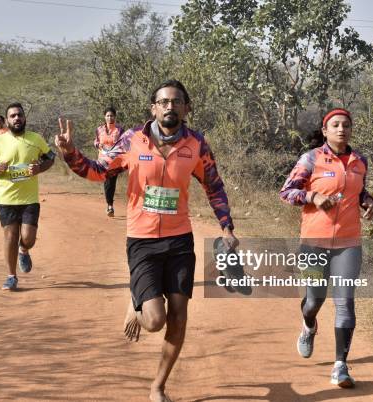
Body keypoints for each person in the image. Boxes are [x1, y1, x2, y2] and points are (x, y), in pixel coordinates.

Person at [55, 79, 237, 402]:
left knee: (179, 315)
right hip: (142, 241)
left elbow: (214, 185)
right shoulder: (131, 140)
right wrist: (71, 154)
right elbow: (99, 171)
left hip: (180, 239)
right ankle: (138, 299)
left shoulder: (196, 144)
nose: (170, 107)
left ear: (186, 108)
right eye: (164, 102)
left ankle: (158, 386)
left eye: (177, 102)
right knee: (155, 320)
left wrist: (226, 226)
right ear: (153, 108)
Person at [279, 108, 373, 388]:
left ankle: (340, 366)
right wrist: (312, 195)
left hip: (349, 244)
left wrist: (369, 201)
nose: (341, 129)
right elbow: (287, 192)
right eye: (335, 125)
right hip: (314, 243)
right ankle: (309, 325)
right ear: (325, 131)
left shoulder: (360, 161)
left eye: (346, 125)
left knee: (345, 302)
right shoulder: (310, 159)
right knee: (314, 301)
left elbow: (358, 192)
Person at [0, 103, 56, 291]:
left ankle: (24, 250)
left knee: (28, 238)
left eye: (19, 115)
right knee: (11, 236)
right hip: (6, 198)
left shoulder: (35, 139)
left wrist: (40, 168)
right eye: (12, 116)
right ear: (7, 120)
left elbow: (51, 157)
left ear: (24, 118)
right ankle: (11, 276)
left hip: (29, 199)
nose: (16, 118)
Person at [94, 107, 124, 217]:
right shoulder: (99, 129)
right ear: (104, 117)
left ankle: (110, 204)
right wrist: (98, 145)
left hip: (114, 161)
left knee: (111, 182)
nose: (109, 117)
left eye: (111, 115)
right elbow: (96, 141)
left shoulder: (119, 130)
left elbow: (123, 143)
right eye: (107, 115)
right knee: (107, 182)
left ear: (115, 117)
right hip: (102, 160)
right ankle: (109, 205)